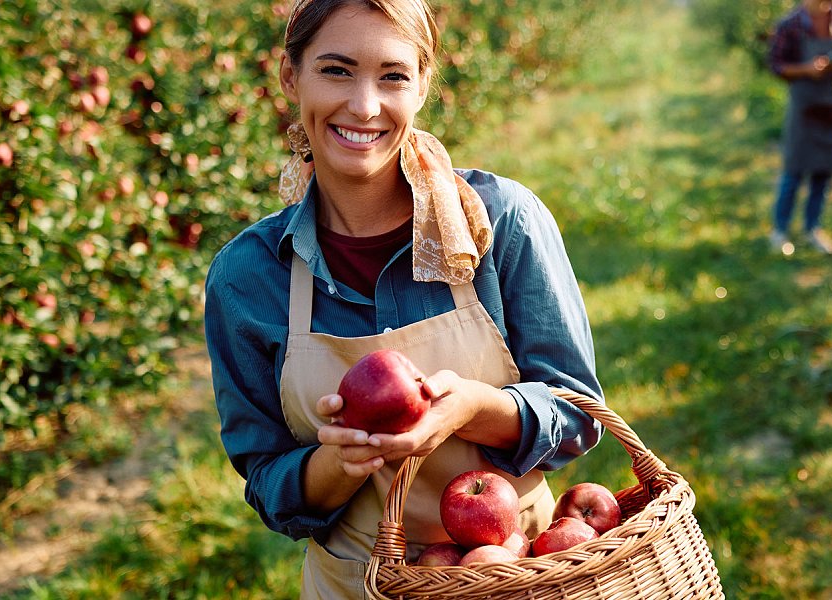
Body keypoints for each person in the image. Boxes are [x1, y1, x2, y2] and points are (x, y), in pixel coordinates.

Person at [203, 1, 604, 597]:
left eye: (393, 76)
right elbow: (267, 483)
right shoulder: (247, 277)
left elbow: (578, 414)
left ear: (422, 85)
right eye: (336, 70)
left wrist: (474, 407)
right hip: (359, 585)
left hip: (516, 573)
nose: (364, 106)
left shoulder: (499, 223)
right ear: (291, 76)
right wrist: (339, 464)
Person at [766, 0, 832, 255]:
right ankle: (780, 230)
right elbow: (775, 65)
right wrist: (806, 69)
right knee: (794, 170)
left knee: (823, 171)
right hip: (805, 105)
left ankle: (812, 229)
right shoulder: (791, 25)